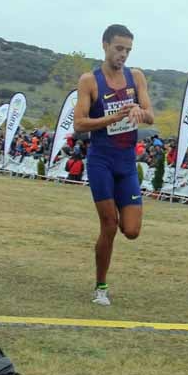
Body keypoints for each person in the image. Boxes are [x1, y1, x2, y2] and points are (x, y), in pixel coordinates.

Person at [73, 24, 154, 307]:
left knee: (131, 230)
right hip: (101, 160)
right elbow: (79, 124)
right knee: (109, 224)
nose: (123, 55)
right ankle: (101, 286)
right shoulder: (90, 81)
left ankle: (102, 280)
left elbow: (151, 116)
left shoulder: (136, 77)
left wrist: (139, 112)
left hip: (126, 162)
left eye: (128, 50)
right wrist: (111, 118)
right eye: (119, 48)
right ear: (105, 45)